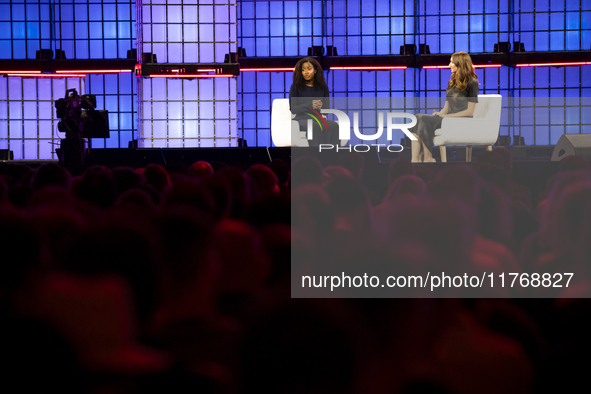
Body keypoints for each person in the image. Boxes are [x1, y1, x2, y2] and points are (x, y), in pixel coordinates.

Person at [410, 51, 479, 163]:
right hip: (447, 118)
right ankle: (415, 160)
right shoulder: (451, 82)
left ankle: (428, 158)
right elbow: (446, 107)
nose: (449, 65)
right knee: (417, 118)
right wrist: (439, 114)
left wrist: (447, 116)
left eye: (452, 62)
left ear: (460, 63)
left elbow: (470, 112)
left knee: (422, 119)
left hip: (461, 120)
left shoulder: (472, 83)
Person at [289, 58, 339, 146]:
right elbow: (293, 109)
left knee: (333, 125)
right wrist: (310, 105)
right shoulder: (295, 86)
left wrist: (321, 106)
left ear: (315, 70)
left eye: (309, 69)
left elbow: (326, 110)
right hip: (301, 119)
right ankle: (316, 156)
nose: (306, 72)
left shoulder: (323, 87)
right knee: (314, 126)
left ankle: (333, 155)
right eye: (303, 70)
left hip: (318, 118)